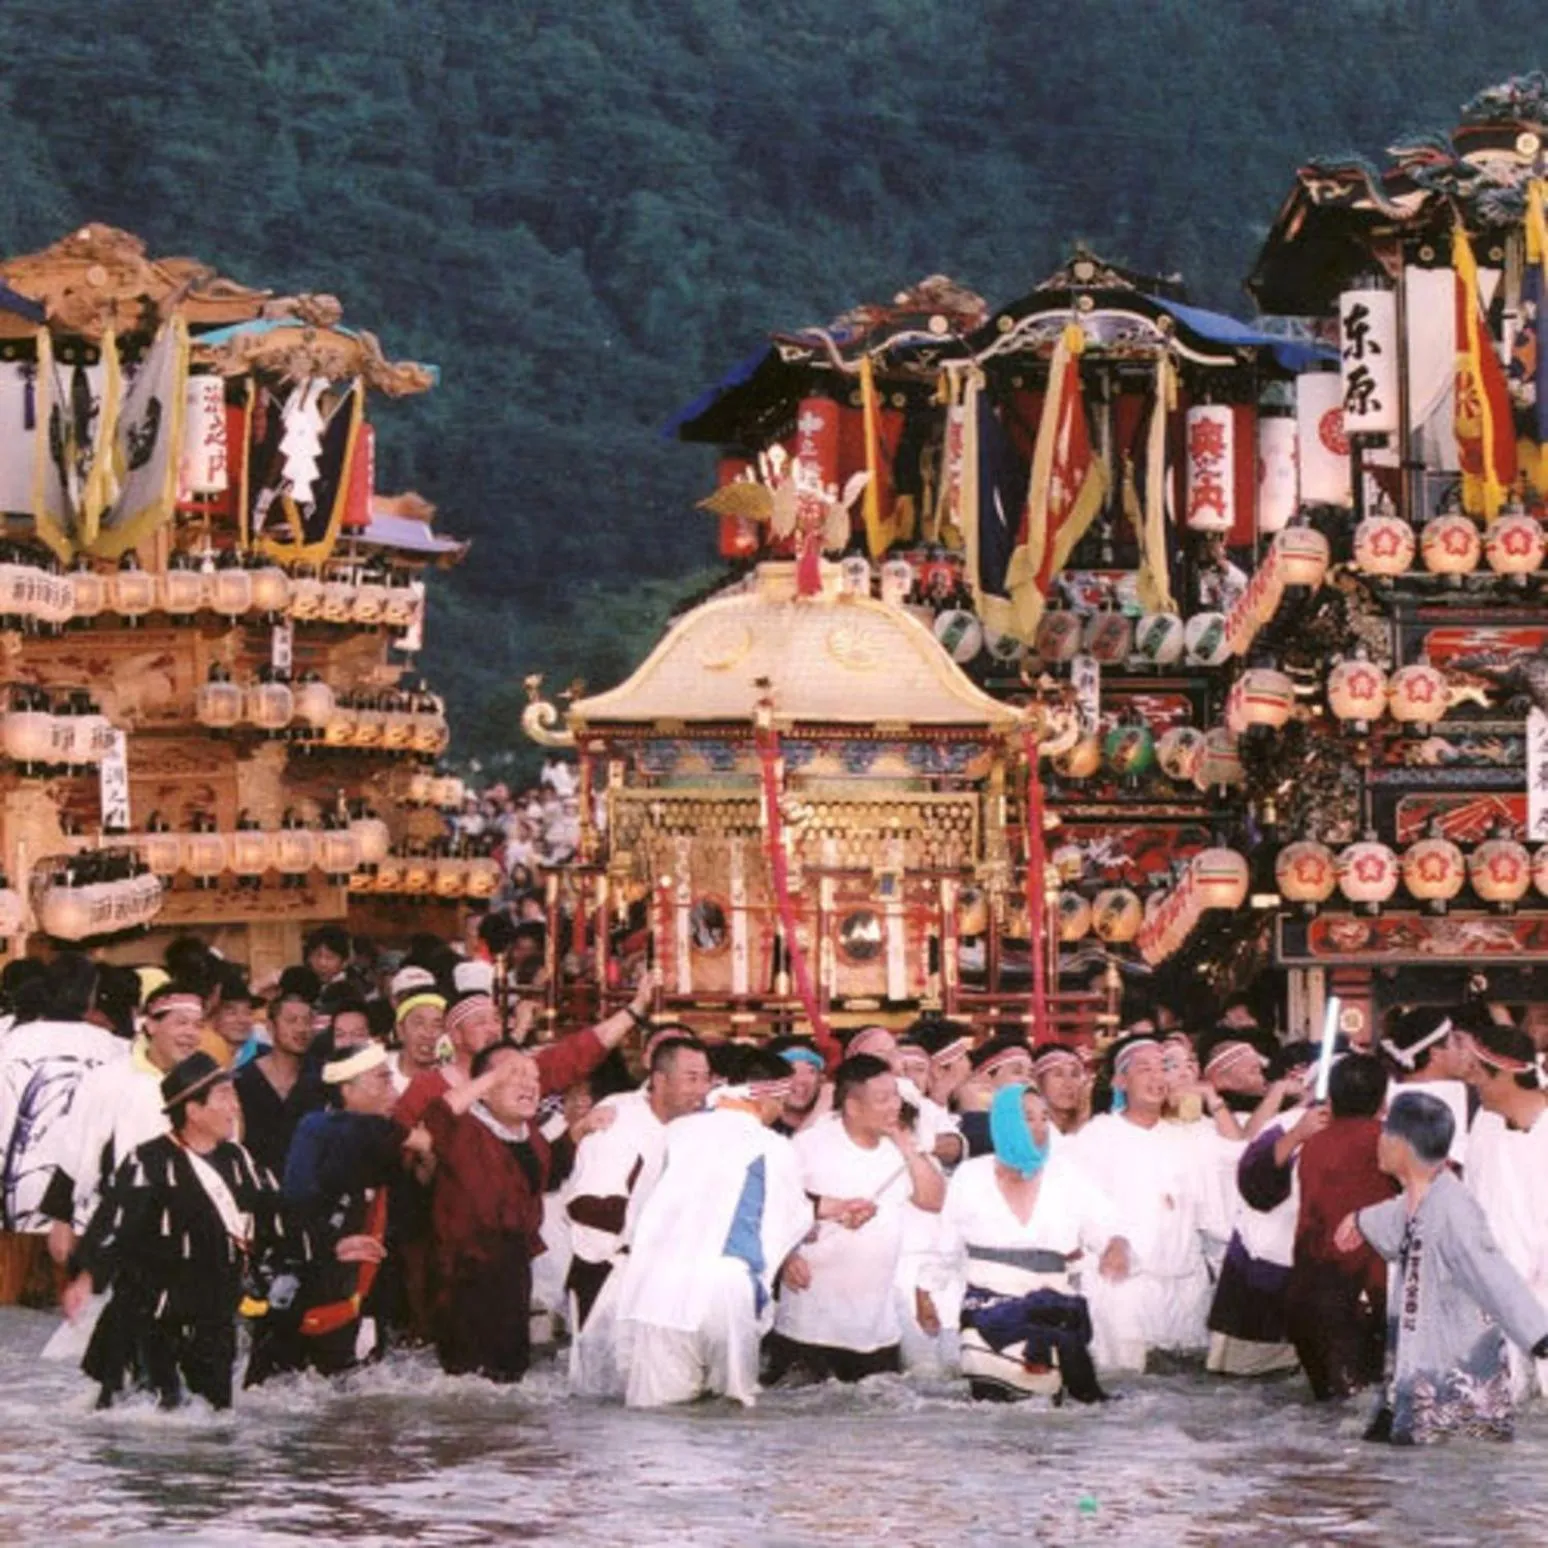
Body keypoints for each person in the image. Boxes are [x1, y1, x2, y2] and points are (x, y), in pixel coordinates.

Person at [60, 1052, 305, 1410]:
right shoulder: (149, 1161)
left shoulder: (239, 1161)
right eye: (224, 1096)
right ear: (192, 1109)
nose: (234, 1107)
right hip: (151, 1318)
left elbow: (276, 1216)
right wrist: (85, 1277)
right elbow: (114, 1223)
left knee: (214, 1425)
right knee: (148, 1421)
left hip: (213, 1321)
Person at [1340, 1091, 1548, 1445]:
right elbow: (1392, 1223)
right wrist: (1358, 1220)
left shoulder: (1454, 1209)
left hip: (1454, 1371)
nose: (1379, 1143)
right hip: (1415, 1368)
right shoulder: (1421, 1199)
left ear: (1400, 1145)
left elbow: (1492, 1274)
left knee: (1445, 1472)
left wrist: (1539, 1337)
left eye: (1385, 1135)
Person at [613, 1049, 813, 1407]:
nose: (780, 1111)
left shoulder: (674, 1133)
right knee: (732, 1410)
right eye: (780, 1101)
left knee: (657, 1419)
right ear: (765, 1096)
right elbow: (791, 1218)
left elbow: (637, 1215)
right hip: (726, 1284)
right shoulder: (772, 1145)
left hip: (660, 1288)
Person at [933, 1083, 1128, 1402]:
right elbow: (946, 1246)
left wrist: (1116, 1247)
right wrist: (928, 1292)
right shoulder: (970, 1176)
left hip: (1056, 1310)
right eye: (1028, 1118)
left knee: (1061, 1423)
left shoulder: (1066, 1174)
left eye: (1044, 1118)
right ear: (1005, 1123)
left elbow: (1107, 1226)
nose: (1039, 1127)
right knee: (995, 1421)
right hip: (988, 1316)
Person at [767, 1052, 946, 1383]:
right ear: (852, 1106)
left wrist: (907, 1147)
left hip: (877, 1328)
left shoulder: (899, 1147)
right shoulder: (810, 1145)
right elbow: (774, 1206)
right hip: (810, 1326)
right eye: (883, 1098)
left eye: (895, 1094)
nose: (894, 1105)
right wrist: (787, 1256)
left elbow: (933, 1200)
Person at [565, 1031, 711, 1395]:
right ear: (660, 1081)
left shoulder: (701, 1125)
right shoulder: (620, 1119)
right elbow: (587, 1206)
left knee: (667, 1388)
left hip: (665, 1276)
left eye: (706, 1078)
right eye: (691, 1078)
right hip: (611, 1272)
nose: (701, 1089)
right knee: (605, 1392)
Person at [1068, 1035, 1224, 1371]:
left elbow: (1210, 1210)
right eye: (1145, 1069)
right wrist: (1109, 1240)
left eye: (1164, 1068)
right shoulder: (1099, 1134)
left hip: (1184, 1283)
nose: (1158, 1077)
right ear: (1121, 1080)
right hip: (1126, 1285)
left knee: (1183, 1392)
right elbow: (1079, 1204)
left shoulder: (1186, 1137)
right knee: (1129, 1391)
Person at [403, 1042, 556, 1381]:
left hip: (514, 1272)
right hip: (464, 1276)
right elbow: (436, 1115)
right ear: (484, 1091)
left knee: (511, 1381)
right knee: (468, 1383)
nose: (528, 1084)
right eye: (512, 1075)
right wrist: (489, 1079)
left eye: (533, 1077)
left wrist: (581, 1130)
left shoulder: (533, 1137)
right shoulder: (464, 1129)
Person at [269, 1043, 412, 1377]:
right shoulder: (317, 1129)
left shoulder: (380, 1137)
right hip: (322, 1276)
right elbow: (296, 1205)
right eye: (382, 1081)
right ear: (347, 1089)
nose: (393, 1091)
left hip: (369, 1278)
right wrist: (331, 1243)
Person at [43, 981, 208, 1263]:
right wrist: (61, 1222)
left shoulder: (205, 1084)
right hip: (114, 1224)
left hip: (186, 1228)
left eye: (197, 1025)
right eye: (181, 1023)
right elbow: (75, 1147)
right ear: (151, 1025)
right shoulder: (108, 1079)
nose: (190, 1034)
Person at [0, 954, 126, 1234]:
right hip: (82, 1193)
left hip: (15, 1190)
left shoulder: (9, 1042)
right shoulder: (115, 1051)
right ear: (92, 997)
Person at [1460, 1017, 1548, 1398]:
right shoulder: (1484, 1123)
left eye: (1477, 1071)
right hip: (1492, 1299)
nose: (1470, 1079)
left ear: (1505, 1075)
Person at [233, 975, 319, 1178]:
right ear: (271, 1027)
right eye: (291, 1021)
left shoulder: (322, 1078)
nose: (301, 1029)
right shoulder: (243, 1079)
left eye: (307, 1022)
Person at [1377, 1005, 1470, 1167]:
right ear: (1435, 1054)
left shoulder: (1383, 1098)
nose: (1463, 1051)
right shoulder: (1465, 1098)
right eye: (1455, 1043)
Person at [1030, 1043, 1087, 1137]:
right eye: (1058, 1074)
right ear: (1038, 1082)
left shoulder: (1095, 1130)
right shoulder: (1029, 1133)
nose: (1068, 1084)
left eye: (1074, 1075)